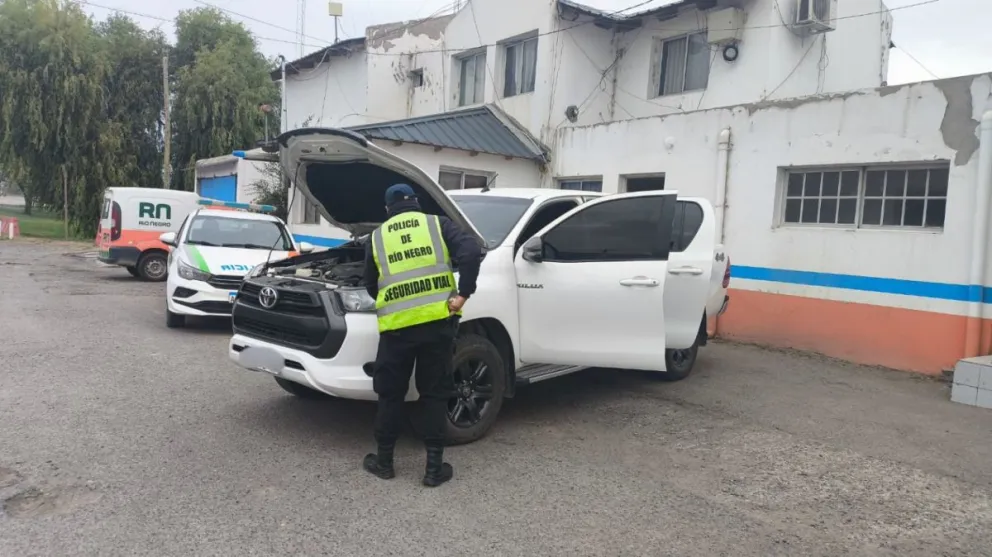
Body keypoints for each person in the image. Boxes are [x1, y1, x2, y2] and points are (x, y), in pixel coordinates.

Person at [362, 183, 482, 487]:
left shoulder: (377, 237)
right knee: (434, 393)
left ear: (388, 210)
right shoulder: (436, 224)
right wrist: (463, 293)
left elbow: (370, 284)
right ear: (416, 203)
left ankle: (385, 462)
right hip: (437, 325)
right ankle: (433, 469)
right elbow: (470, 251)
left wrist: (395, 301)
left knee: (390, 393)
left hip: (396, 329)